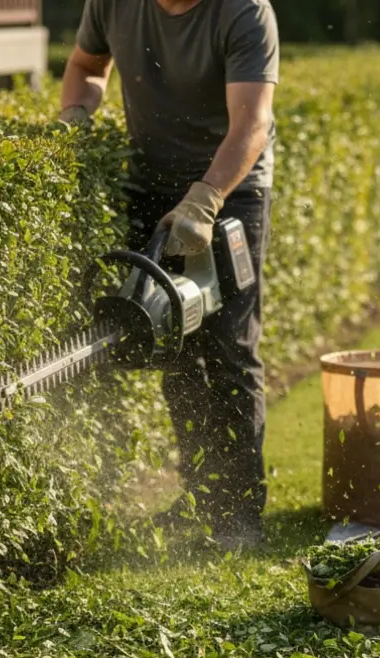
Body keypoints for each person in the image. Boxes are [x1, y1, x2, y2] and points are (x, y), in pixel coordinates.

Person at [58, 0, 279, 548]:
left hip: (230, 190)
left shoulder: (244, 11)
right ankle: (201, 498)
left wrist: (204, 201)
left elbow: (252, 121)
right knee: (175, 346)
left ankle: (240, 516)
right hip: (152, 185)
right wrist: (72, 122)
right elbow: (86, 66)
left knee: (230, 348)